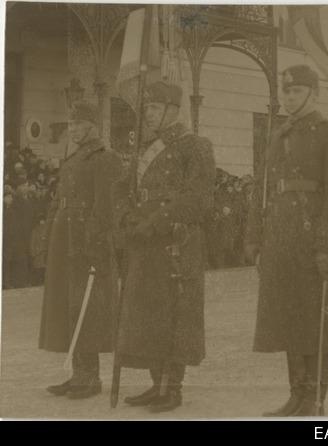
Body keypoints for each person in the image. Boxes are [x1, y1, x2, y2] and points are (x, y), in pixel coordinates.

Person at [243, 65, 328, 417]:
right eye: (286, 91)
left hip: (312, 239)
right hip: (280, 237)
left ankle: (314, 400)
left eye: (296, 91)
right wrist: (254, 236)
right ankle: (297, 395)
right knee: (288, 318)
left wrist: (327, 244)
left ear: (314, 94)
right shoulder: (278, 134)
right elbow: (261, 190)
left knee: (316, 320)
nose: (289, 97)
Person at [113, 81, 216, 412]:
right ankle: (156, 384)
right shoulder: (146, 149)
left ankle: (173, 389)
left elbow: (198, 199)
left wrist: (155, 222)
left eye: (155, 108)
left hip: (175, 241)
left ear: (173, 110)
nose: (149, 114)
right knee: (148, 314)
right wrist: (127, 216)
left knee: (175, 316)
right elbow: (126, 190)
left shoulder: (195, 145)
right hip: (145, 241)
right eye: (147, 109)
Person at [39, 100, 122, 399]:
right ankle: (78, 373)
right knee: (69, 306)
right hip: (66, 240)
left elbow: (105, 207)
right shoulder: (73, 159)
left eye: (78, 124)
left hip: (88, 243)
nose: (72, 129)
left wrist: (94, 243)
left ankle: (90, 377)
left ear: (92, 126)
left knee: (88, 309)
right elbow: (58, 199)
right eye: (71, 124)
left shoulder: (105, 158)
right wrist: (50, 235)